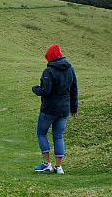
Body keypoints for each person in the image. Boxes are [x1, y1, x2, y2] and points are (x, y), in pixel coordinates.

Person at [32, 44, 78, 174]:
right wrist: (74, 108)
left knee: (41, 133)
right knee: (58, 136)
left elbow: (45, 91)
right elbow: (74, 89)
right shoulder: (70, 69)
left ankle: (47, 163)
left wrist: (35, 89)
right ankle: (59, 167)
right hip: (64, 109)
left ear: (50, 57)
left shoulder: (49, 71)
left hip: (49, 109)